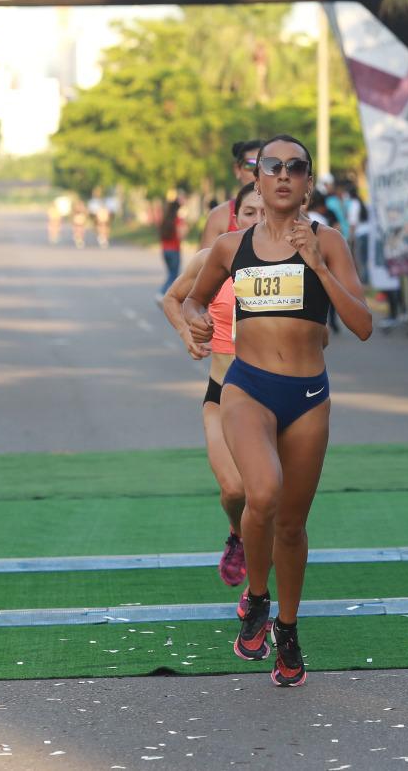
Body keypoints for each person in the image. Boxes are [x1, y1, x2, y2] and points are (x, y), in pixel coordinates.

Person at [184, 135, 373, 688]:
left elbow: (361, 325)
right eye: (273, 166)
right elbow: (194, 298)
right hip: (248, 388)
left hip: (309, 395)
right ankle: (258, 598)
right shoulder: (230, 247)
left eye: (296, 167)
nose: (284, 175)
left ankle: (286, 631)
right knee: (261, 492)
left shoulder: (328, 241)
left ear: (309, 182)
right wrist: (195, 320)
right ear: (257, 180)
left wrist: (317, 265)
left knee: (292, 524)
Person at [160, 182, 264, 588]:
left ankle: (259, 592)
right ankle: (237, 534)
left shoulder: (289, 263)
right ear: (236, 218)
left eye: (263, 210)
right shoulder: (213, 258)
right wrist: (188, 333)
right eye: (249, 213)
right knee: (235, 490)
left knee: (267, 498)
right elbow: (174, 298)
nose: (257, 219)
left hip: (271, 396)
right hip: (222, 392)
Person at [198, 140, 261, 248]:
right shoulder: (219, 216)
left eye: (264, 165)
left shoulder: (289, 213)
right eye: (250, 165)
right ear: (237, 170)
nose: (257, 172)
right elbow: (203, 263)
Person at [158, 191, 184, 296]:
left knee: (170, 274)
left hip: (165, 250)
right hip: (174, 250)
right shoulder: (177, 220)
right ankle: (163, 293)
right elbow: (180, 235)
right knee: (173, 275)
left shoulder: (165, 219)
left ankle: (167, 294)